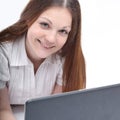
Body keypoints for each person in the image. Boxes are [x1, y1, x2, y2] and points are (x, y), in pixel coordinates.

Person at [0, 0, 86, 120]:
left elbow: (55, 110)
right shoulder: (3, 53)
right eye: (45, 24)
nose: (51, 39)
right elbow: (2, 110)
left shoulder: (65, 56)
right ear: (29, 18)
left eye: (62, 31)